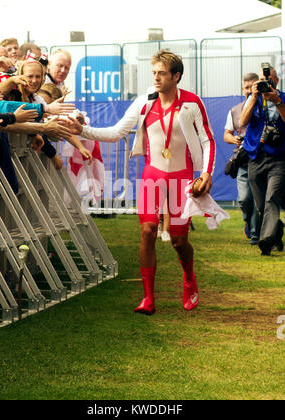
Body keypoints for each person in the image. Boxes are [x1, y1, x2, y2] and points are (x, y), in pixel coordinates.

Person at [59, 50, 215, 314]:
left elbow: (207, 140)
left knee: (179, 241)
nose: (156, 77)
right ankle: (148, 298)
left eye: (162, 73)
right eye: (153, 72)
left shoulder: (191, 103)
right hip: (152, 175)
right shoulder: (145, 101)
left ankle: (189, 278)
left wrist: (206, 173)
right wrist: (82, 130)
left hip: (181, 178)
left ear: (176, 76)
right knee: (147, 232)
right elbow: (116, 132)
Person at [240, 64, 285, 256]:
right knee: (260, 205)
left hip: (279, 157)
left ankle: (266, 241)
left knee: (272, 198)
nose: (266, 82)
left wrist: (277, 101)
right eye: (263, 79)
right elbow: (242, 121)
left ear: (276, 80)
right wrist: (255, 96)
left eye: (270, 79)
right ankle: (277, 230)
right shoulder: (254, 98)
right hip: (255, 156)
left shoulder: (282, 97)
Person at [224, 73, 261, 245]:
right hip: (243, 160)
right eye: (246, 87)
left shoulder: (266, 107)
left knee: (257, 198)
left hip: (261, 158)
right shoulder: (235, 110)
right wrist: (234, 139)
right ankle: (248, 222)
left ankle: (255, 233)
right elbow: (226, 134)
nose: (249, 90)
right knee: (244, 199)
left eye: (252, 86)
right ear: (243, 88)